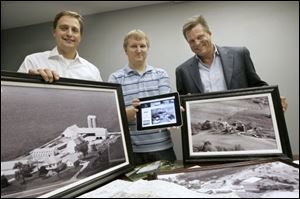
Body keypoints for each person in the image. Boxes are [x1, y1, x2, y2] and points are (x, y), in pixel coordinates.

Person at [176, 15, 288, 111]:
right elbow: (182, 105)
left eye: (200, 37)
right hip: (206, 126)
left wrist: (274, 98)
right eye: (191, 41)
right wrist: (180, 109)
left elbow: (257, 85)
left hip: (240, 117)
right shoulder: (183, 71)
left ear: (209, 34)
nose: (197, 43)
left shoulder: (240, 55)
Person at [108, 29, 176, 165]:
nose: (139, 50)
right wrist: (130, 112)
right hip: (133, 151)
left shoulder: (160, 75)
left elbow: (167, 107)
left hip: (163, 148)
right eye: (133, 46)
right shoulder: (115, 78)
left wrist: (173, 113)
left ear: (147, 48)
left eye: (142, 46)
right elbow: (112, 117)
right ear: (125, 50)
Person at [18, 10, 102, 82]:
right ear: (54, 32)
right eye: (64, 28)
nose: (69, 34)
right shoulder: (32, 61)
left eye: (74, 30)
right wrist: (29, 81)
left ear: (80, 36)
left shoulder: (93, 71)